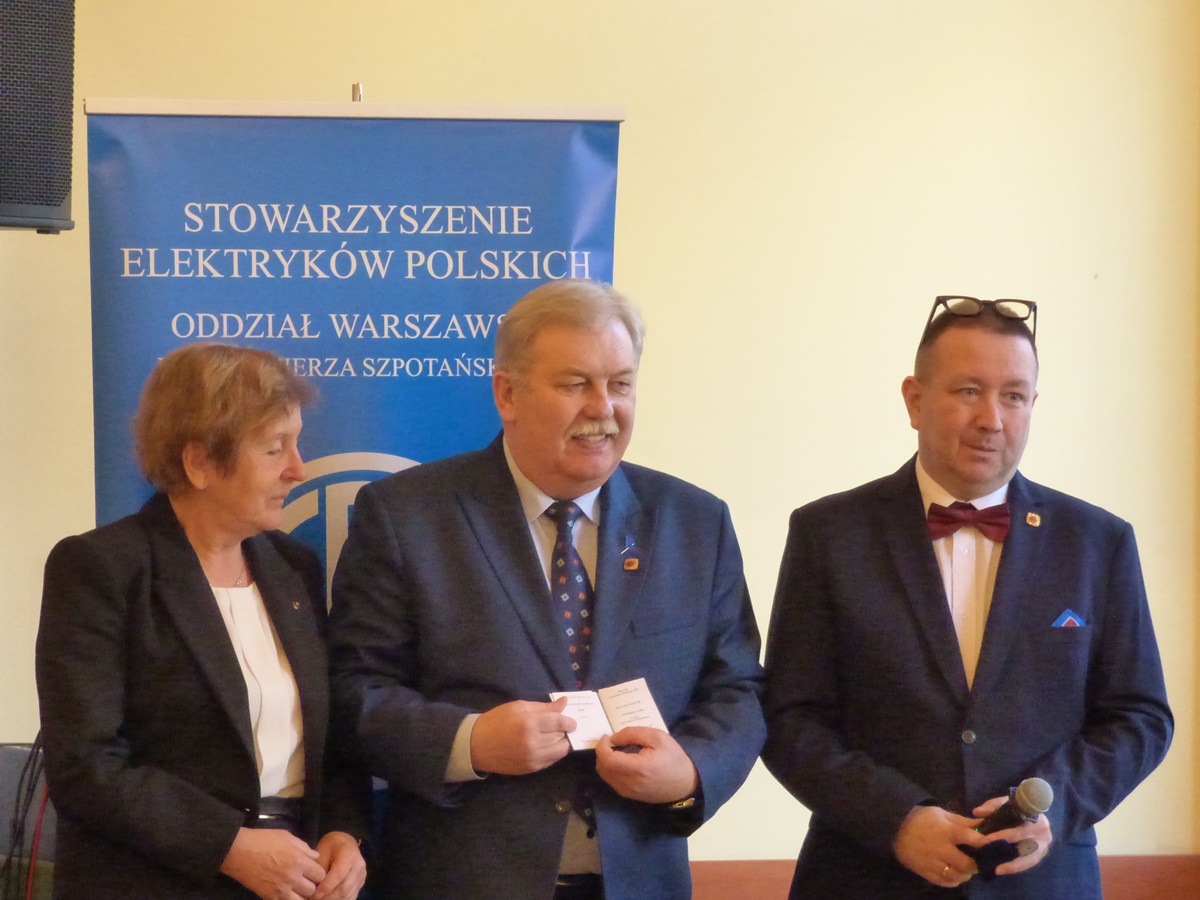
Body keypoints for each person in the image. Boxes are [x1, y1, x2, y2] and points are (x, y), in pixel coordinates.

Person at [328, 278, 765, 900]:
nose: (603, 408)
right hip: (465, 881)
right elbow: (353, 693)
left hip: (639, 879)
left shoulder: (695, 522)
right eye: (575, 384)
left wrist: (692, 770)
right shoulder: (407, 516)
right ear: (507, 394)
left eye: (621, 384)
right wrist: (470, 742)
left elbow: (737, 688)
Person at [762, 296, 1173, 899]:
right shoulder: (828, 534)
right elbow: (789, 717)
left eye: (1014, 396)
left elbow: (1140, 717)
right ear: (915, 400)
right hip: (864, 878)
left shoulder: (1098, 542)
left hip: (1042, 884)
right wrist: (895, 819)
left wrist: (1054, 806)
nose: (992, 419)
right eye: (969, 391)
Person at [36, 343, 369, 900]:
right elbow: (85, 765)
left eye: (295, 442)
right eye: (274, 448)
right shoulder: (101, 568)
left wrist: (343, 831)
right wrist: (228, 847)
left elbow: (330, 734)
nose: (298, 468)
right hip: (153, 881)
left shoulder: (293, 568)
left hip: (296, 880)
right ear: (199, 463)